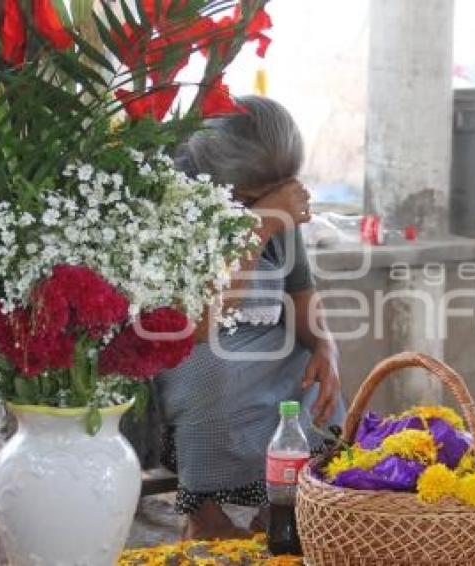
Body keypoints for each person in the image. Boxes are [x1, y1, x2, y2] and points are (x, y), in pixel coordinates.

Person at [155, 96, 345, 540]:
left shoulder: (278, 200)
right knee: (219, 370)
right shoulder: (179, 205)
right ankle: (202, 510)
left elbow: (301, 295)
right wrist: (259, 227)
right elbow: (200, 324)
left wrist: (325, 346)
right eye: (249, 197)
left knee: (311, 375)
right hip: (187, 346)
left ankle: (282, 509)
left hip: (263, 340)